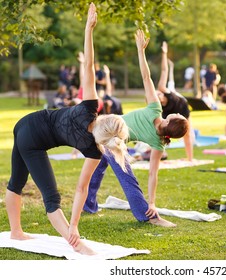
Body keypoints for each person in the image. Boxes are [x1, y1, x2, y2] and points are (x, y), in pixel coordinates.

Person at [5, 3, 130, 255]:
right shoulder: (94, 150)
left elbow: (88, 65)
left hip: (27, 122)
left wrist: (89, 29)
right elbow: (81, 189)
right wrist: (73, 226)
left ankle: (16, 231)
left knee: (17, 182)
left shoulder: (89, 106)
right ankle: (78, 246)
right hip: (33, 139)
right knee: (51, 198)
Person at [83, 30, 189, 227]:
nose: (177, 112)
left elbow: (146, 77)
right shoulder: (159, 141)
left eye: (178, 115)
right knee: (108, 170)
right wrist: (152, 200)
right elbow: (152, 174)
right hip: (104, 131)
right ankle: (91, 206)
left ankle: (145, 215)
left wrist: (141, 51)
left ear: (170, 122)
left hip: (106, 134)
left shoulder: (155, 109)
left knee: (109, 170)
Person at [157, 41, 195, 161]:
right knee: (160, 132)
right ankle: (160, 155)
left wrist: (164, 54)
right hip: (169, 114)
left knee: (187, 133)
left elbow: (164, 71)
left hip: (182, 107)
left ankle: (190, 158)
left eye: (158, 94)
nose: (156, 94)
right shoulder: (156, 106)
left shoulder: (164, 90)